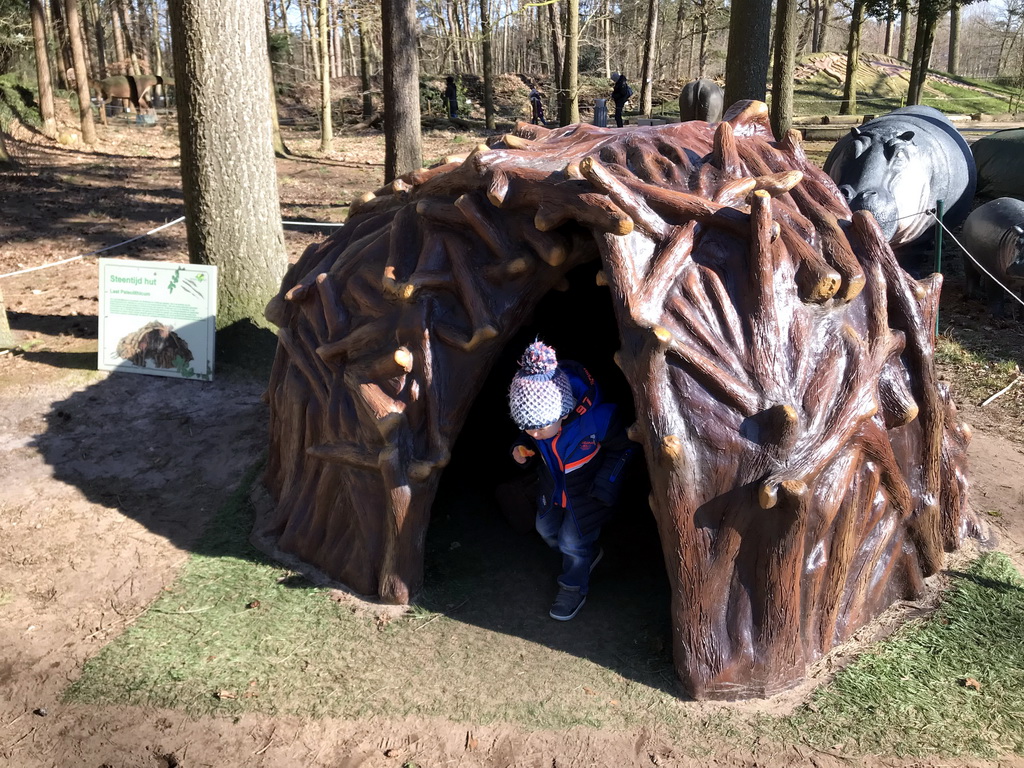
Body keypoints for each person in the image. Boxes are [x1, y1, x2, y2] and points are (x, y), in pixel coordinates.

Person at [508, 340, 636, 621]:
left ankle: (572, 586)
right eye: (525, 427)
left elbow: (624, 449)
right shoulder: (537, 428)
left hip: (587, 494)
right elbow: (531, 434)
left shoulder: (599, 420)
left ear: (563, 414)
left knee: (571, 541)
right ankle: (585, 556)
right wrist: (521, 448)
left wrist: (607, 485)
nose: (535, 434)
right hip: (553, 490)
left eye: (539, 428)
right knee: (545, 528)